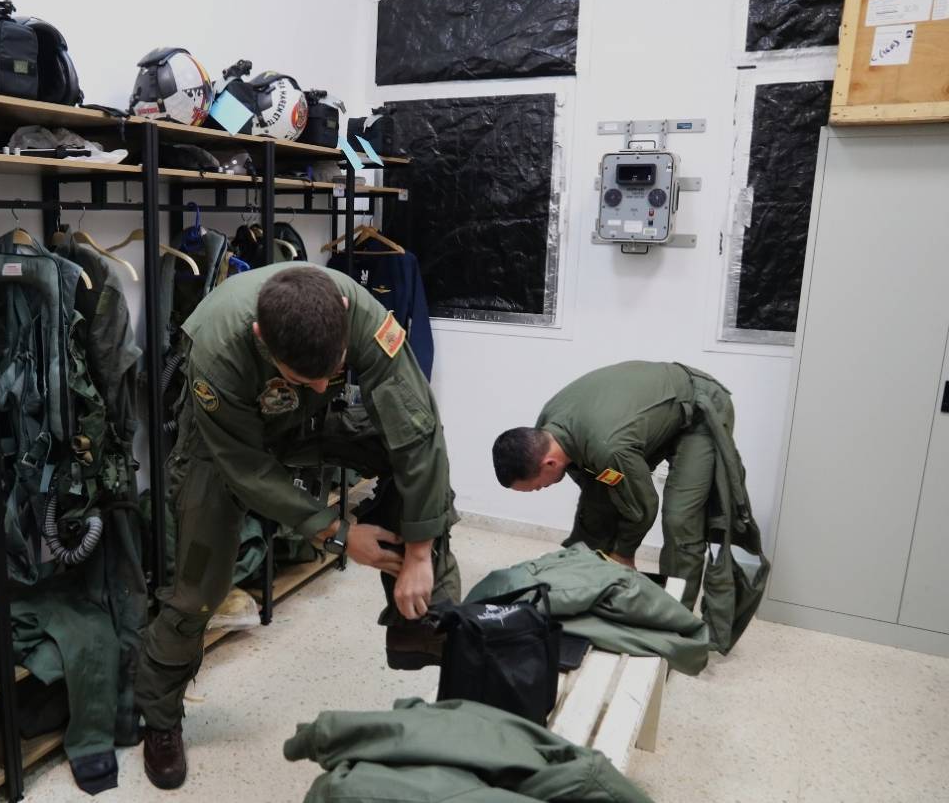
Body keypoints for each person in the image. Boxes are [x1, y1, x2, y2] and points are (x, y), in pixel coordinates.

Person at [137, 264, 461, 790]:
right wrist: (335, 532)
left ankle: (422, 622)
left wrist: (421, 553)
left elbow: (418, 431)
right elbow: (246, 468)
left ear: (344, 314)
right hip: (225, 445)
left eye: (328, 371)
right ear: (262, 338)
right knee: (199, 589)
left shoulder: (362, 315)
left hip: (308, 422)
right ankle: (159, 715)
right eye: (301, 375)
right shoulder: (216, 350)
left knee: (415, 460)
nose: (317, 382)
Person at [492, 361, 752, 609]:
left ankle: (675, 619)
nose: (541, 490)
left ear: (549, 463)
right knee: (598, 501)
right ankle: (590, 587)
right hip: (653, 411)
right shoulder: (546, 430)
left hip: (700, 409)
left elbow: (642, 505)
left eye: (537, 486)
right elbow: (599, 488)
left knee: (681, 520)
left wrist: (624, 553)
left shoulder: (608, 448)